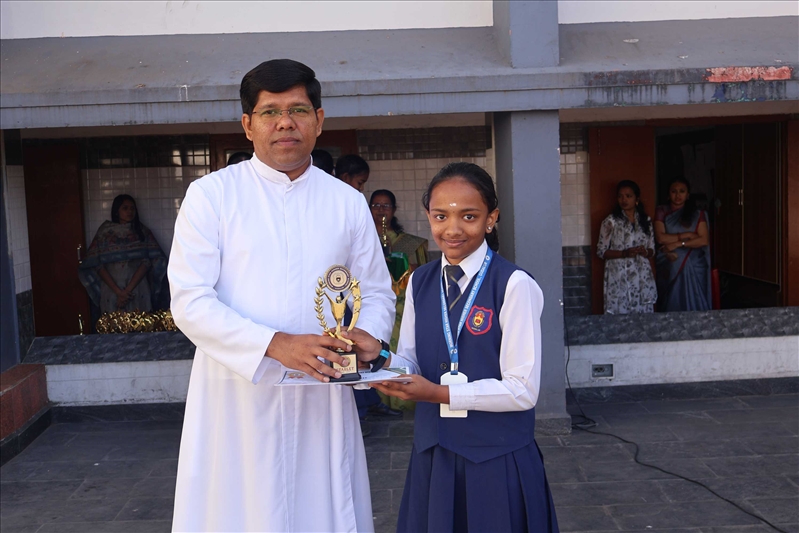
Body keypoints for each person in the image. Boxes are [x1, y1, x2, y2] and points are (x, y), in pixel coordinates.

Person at [167, 59, 395, 532]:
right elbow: (190, 300)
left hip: (323, 392)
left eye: (298, 110)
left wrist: (369, 337)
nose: (285, 122)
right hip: (237, 394)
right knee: (238, 511)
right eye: (270, 112)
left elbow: (375, 291)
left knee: (322, 507)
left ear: (319, 120)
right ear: (247, 125)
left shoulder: (347, 202)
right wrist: (275, 344)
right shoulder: (211, 196)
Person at [344, 162, 559, 532]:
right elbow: (412, 363)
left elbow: (522, 389)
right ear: (429, 216)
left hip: (495, 458)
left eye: (469, 216)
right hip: (435, 456)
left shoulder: (513, 285)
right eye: (441, 216)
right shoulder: (420, 281)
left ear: (491, 219)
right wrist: (378, 356)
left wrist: (438, 393)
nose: (453, 229)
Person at [79, 194, 166, 315]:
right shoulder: (104, 233)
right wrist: (119, 292)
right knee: (113, 323)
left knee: (139, 323)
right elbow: (97, 264)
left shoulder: (142, 232)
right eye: (125, 208)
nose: (129, 211)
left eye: (132, 208)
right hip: (112, 290)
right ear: (116, 211)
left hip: (137, 289)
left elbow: (148, 262)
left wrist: (127, 291)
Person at [596, 180, 657, 314]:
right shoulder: (610, 221)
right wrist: (624, 253)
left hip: (641, 276)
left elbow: (652, 250)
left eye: (628, 196)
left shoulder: (645, 221)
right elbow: (601, 251)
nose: (624, 200)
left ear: (637, 199)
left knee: (643, 315)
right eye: (620, 196)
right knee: (620, 313)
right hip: (619, 275)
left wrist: (645, 252)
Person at [654, 177, 712, 311]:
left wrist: (678, 244)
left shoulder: (698, 214)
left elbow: (703, 240)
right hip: (668, 260)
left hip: (695, 262)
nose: (678, 195)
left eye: (682, 191)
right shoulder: (662, 211)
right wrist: (688, 235)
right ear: (668, 194)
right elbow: (661, 238)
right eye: (674, 191)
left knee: (682, 261)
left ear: (688, 195)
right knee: (675, 262)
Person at [370, 189, 429, 270]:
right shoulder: (363, 239)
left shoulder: (412, 243)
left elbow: (421, 272)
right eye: (376, 205)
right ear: (370, 209)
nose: (381, 209)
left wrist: (395, 259)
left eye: (386, 205)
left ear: (394, 210)